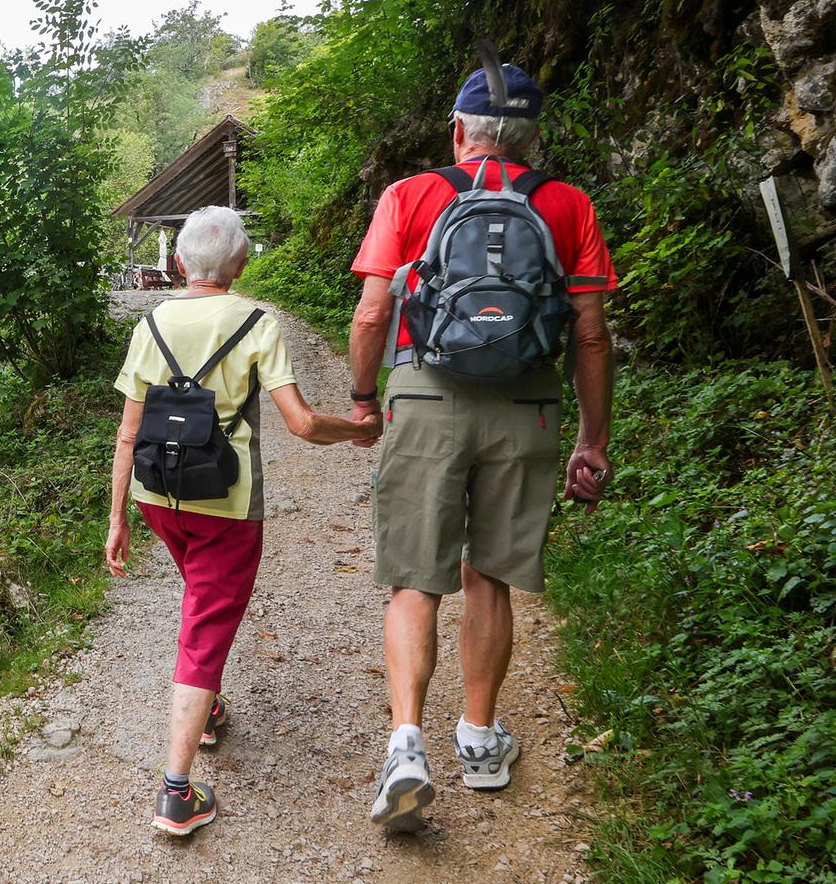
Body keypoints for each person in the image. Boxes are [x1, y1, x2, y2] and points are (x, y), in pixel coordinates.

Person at [346, 61, 616, 831]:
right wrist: (593, 439)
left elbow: (371, 314)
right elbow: (592, 335)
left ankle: (405, 744)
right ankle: (479, 740)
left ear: (459, 131)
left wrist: (366, 399)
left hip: (425, 396)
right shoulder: (567, 204)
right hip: (526, 406)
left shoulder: (410, 195)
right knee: (489, 572)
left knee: (414, 577)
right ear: (533, 139)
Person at [108, 205, 381, 836]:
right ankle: (176, 792)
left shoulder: (151, 321)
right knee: (204, 629)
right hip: (227, 505)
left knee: (201, 604)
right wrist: (360, 429)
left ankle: (203, 713)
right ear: (242, 264)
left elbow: (127, 433)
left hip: (158, 497)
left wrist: (117, 518)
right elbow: (304, 423)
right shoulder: (259, 322)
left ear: (178, 263)